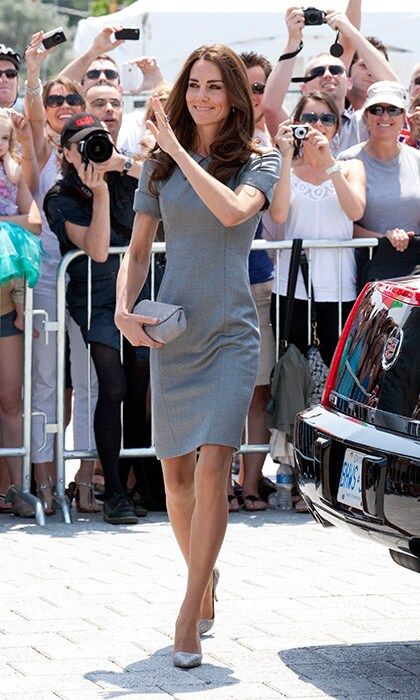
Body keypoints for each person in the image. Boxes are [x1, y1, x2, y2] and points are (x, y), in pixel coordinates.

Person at [115, 44, 280, 667]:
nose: (202, 96)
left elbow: (235, 212)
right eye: (194, 86)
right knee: (175, 478)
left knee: (215, 464)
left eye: (215, 86)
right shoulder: (158, 169)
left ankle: (188, 612)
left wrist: (181, 152)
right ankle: (204, 578)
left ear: (235, 94)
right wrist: (124, 310)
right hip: (175, 334)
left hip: (232, 334)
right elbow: (136, 250)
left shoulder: (260, 159)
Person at [44, 112, 148, 525]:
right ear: (67, 152)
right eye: (84, 143)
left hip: (136, 293)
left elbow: (170, 185)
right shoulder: (60, 196)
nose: (93, 148)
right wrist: (100, 193)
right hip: (94, 300)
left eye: (100, 139)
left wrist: (121, 164)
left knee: (139, 384)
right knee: (113, 386)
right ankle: (115, 495)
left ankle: (135, 484)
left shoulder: (124, 171)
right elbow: (99, 249)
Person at [25, 32, 99, 515]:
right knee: (48, 381)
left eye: (72, 97)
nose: (63, 104)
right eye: (55, 98)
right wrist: (34, 73)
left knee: (89, 378)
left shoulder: (94, 144)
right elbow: (33, 113)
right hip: (47, 274)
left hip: (89, 274)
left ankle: (87, 482)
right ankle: (45, 482)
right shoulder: (38, 148)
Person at [268, 90, 365, 368]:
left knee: (339, 370)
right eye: (310, 118)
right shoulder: (284, 166)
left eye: (327, 118)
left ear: (337, 126)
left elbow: (355, 210)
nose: (318, 124)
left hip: (339, 287)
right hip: (290, 286)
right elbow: (279, 214)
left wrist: (329, 165)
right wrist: (286, 156)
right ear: (297, 124)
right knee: (292, 374)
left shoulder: (350, 167)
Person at [263, 7, 398, 155]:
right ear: (304, 88)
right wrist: (293, 42)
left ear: (349, 83)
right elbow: (270, 107)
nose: (328, 75)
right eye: (317, 72)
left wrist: (351, 31)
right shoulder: (297, 127)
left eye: (335, 70)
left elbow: (394, 90)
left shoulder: (363, 124)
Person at [0, 111, 41, 518]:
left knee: (11, 401)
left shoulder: (12, 172)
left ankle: (15, 488)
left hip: (6, 311)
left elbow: (34, 224)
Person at [339, 80, 420, 280]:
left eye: (393, 110)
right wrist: (383, 239)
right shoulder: (347, 160)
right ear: (366, 116)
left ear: (404, 118)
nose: (384, 116)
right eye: (376, 109)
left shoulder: (417, 159)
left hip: (416, 270)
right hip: (369, 268)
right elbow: (340, 222)